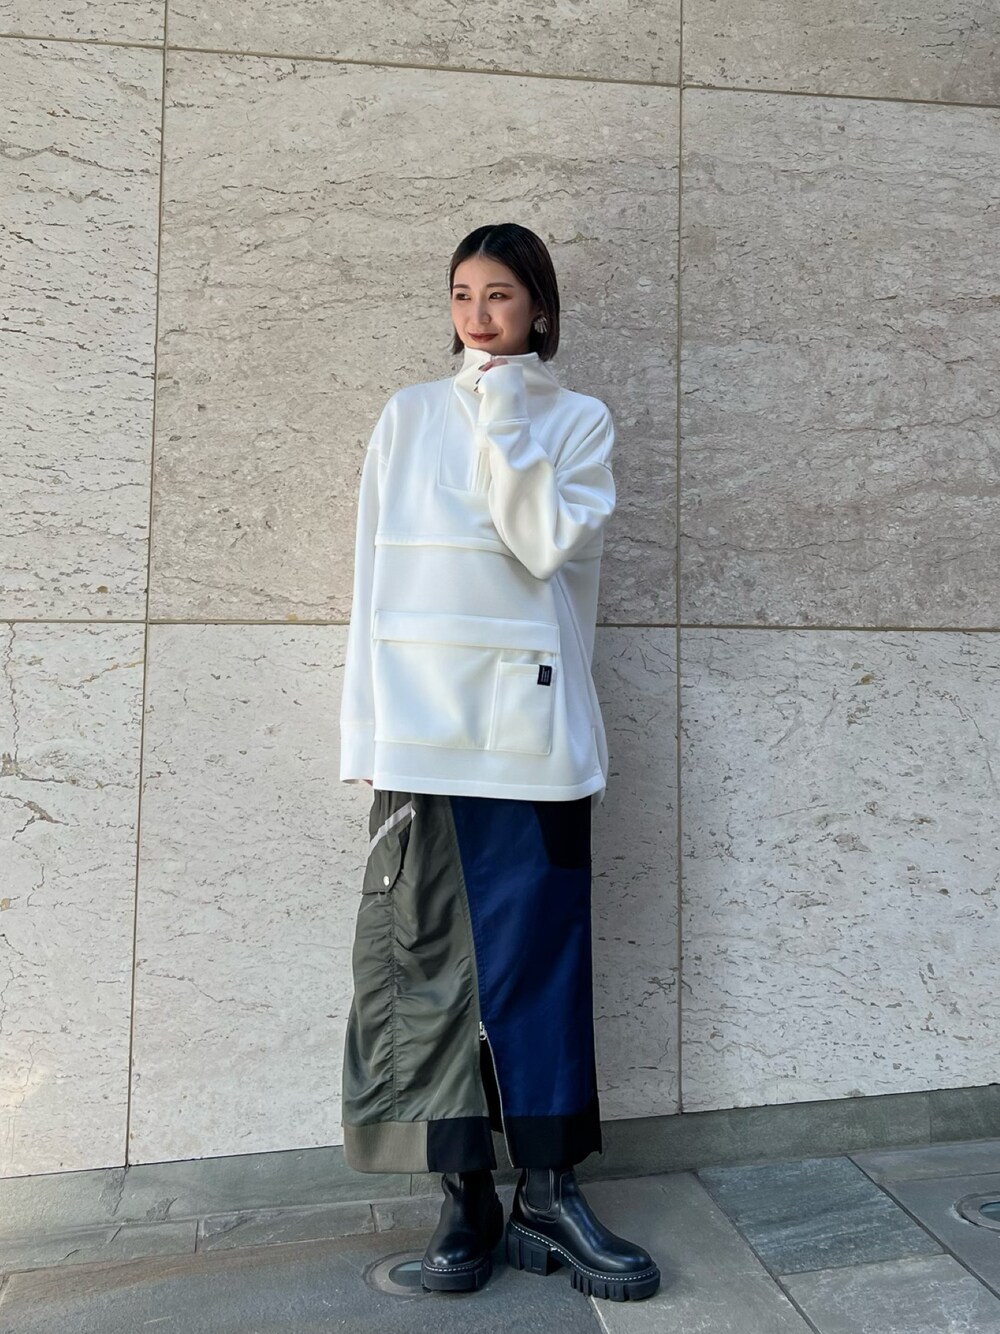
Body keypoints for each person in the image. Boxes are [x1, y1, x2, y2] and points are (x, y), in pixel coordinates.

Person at [338, 221, 659, 1303]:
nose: (478, 316)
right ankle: (464, 1195)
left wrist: (506, 408)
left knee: (541, 962)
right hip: (421, 738)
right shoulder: (406, 414)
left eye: (501, 296)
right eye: (463, 295)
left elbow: (540, 543)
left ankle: (550, 1192)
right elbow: (372, 585)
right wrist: (365, 734)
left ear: (539, 308)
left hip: (531, 742)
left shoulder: (576, 420)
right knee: (426, 966)